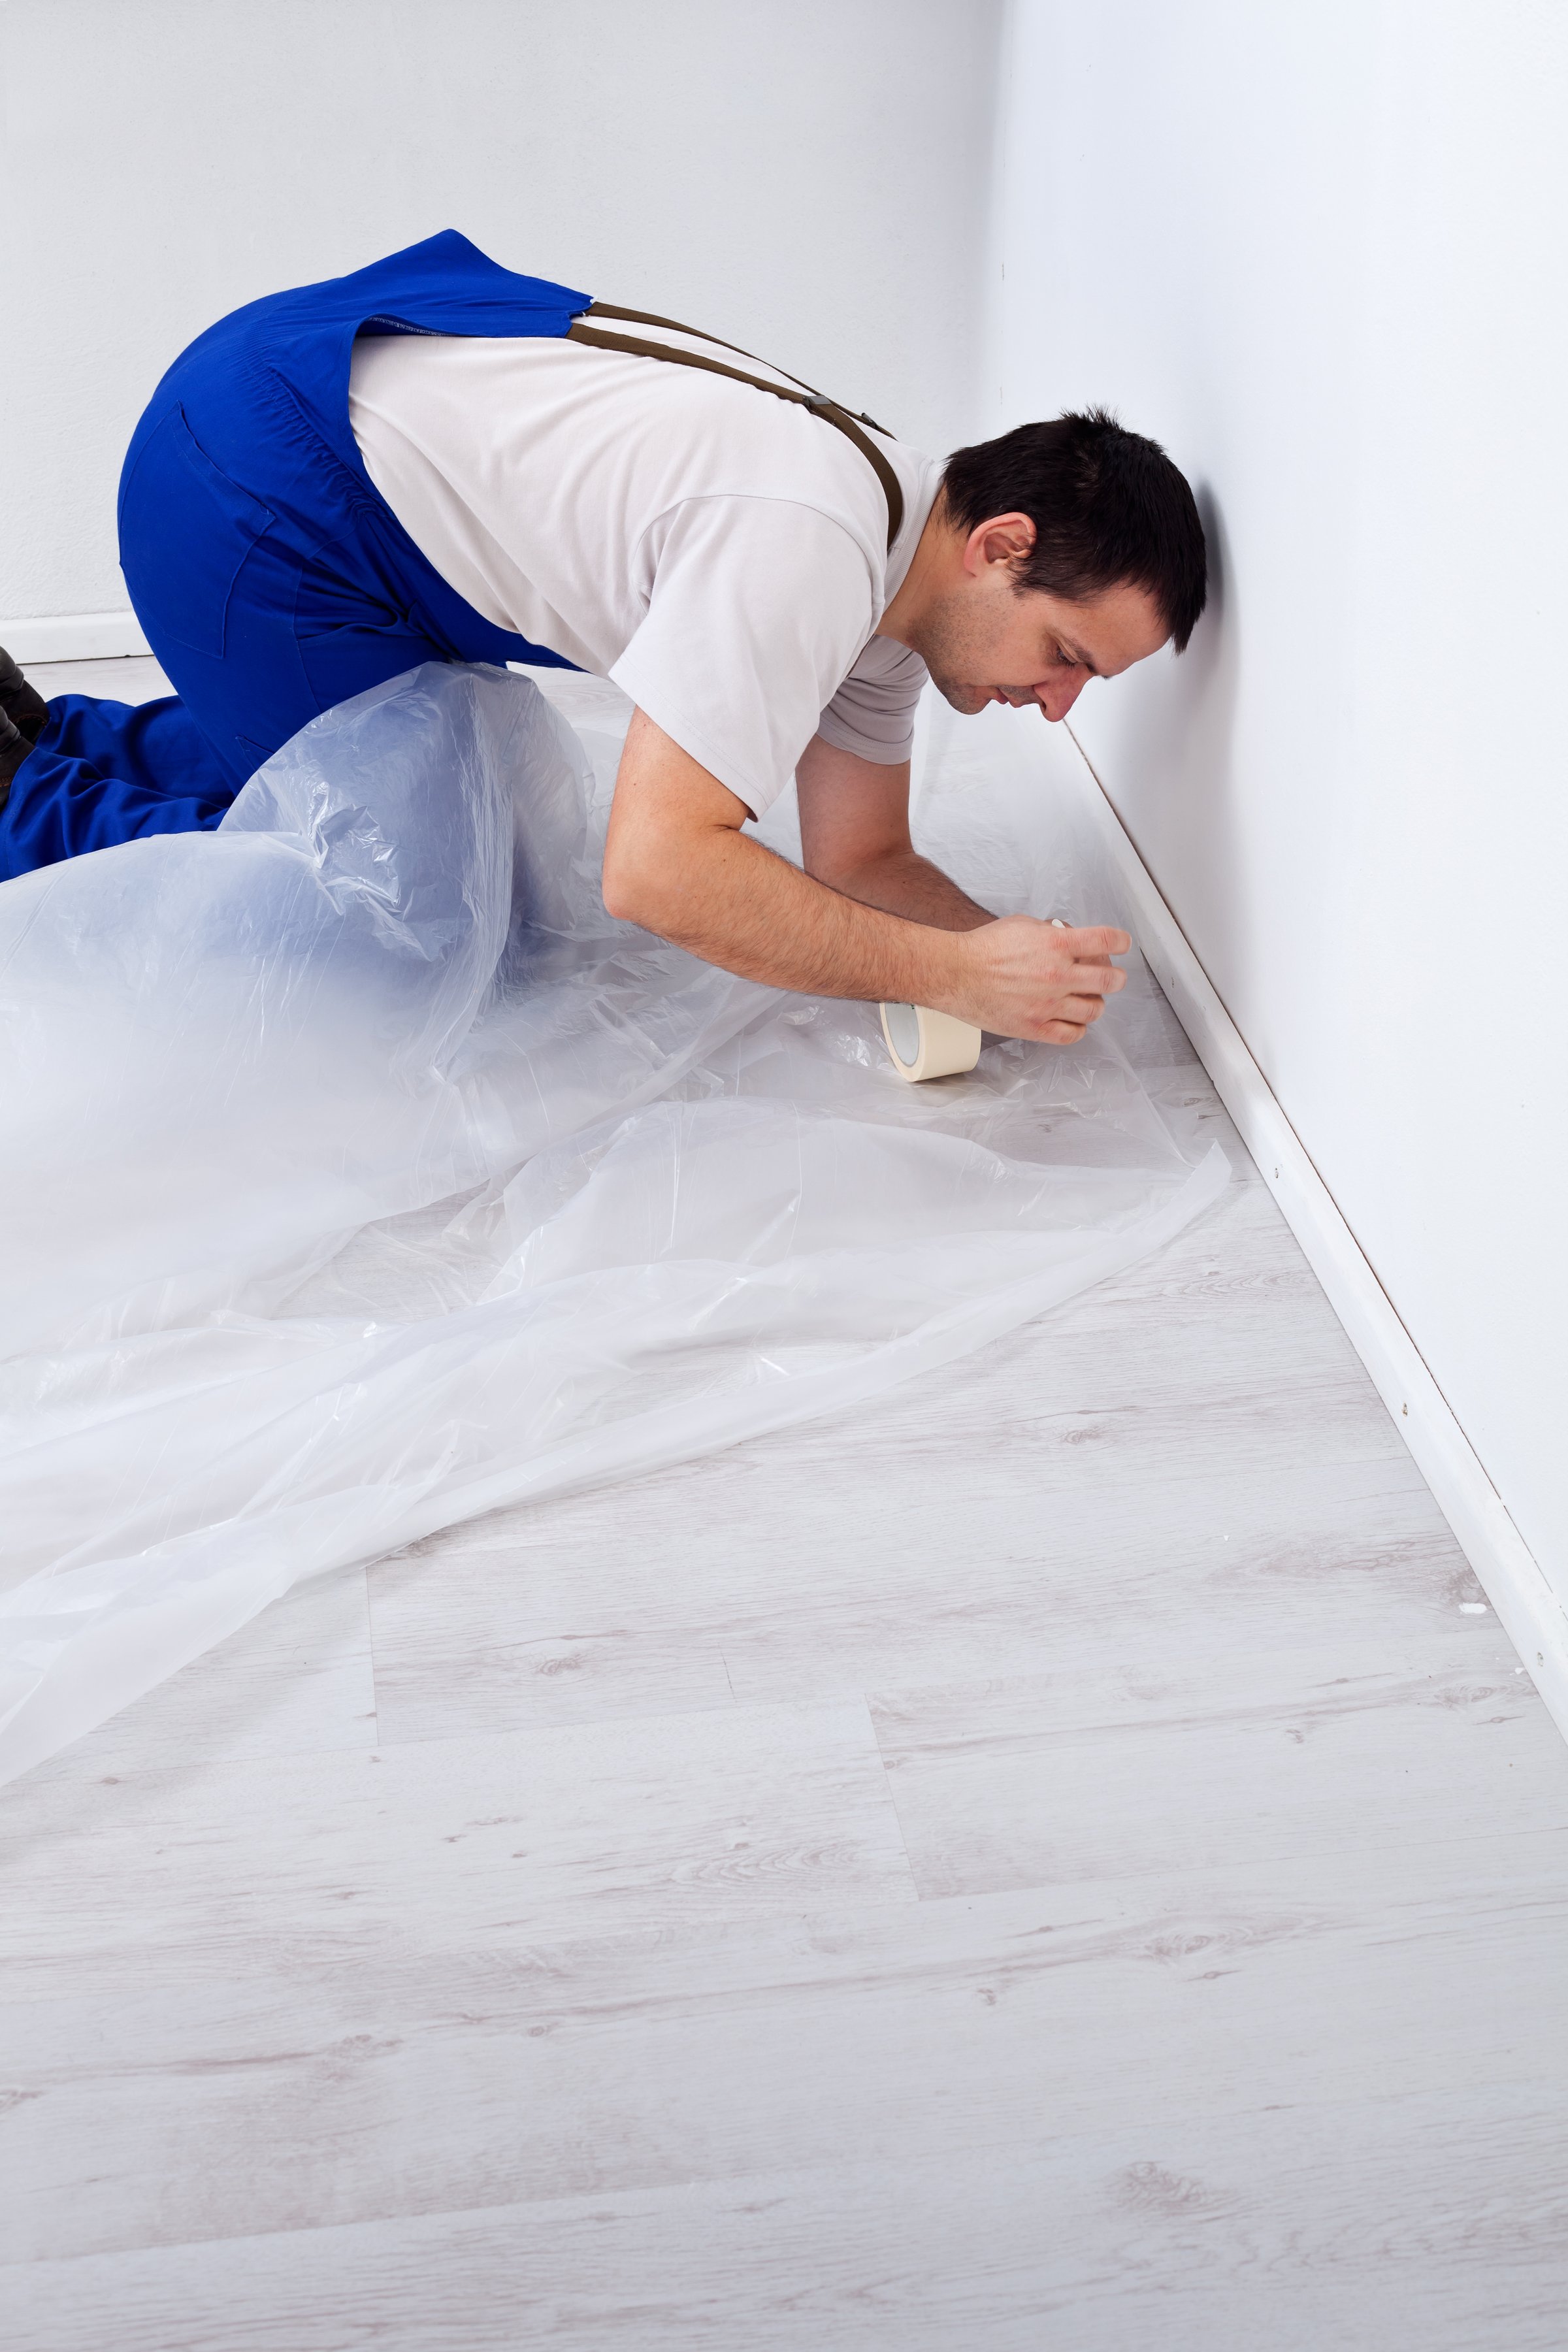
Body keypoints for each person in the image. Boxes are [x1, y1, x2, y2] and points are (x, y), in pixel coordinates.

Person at [0, 230, 1205, 1046]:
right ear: (1001, 545)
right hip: (256, 491)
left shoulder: (896, 564)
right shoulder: (805, 541)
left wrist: (1002, 959)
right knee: (420, 945)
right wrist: (948, 978)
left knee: (486, 909)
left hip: (312, 439)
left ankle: (45, 735)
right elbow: (658, 873)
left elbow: (862, 865)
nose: (1058, 704)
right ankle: (15, 801)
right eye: (1068, 656)